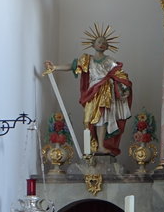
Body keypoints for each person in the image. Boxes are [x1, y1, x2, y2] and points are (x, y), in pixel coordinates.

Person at [46, 25, 133, 156]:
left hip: (105, 93)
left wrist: (124, 89)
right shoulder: (87, 60)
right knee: (90, 119)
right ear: (93, 44)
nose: (102, 44)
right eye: (99, 42)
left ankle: (101, 146)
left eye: (105, 42)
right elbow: (72, 66)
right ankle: (92, 145)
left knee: (102, 119)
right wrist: (55, 67)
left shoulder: (110, 61)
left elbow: (120, 76)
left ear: (108, 46)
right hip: (92, 92)